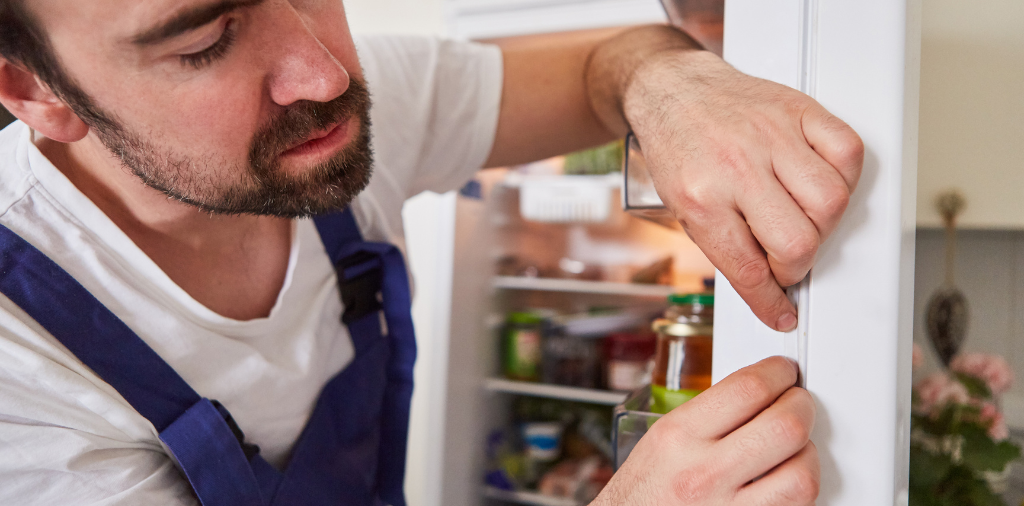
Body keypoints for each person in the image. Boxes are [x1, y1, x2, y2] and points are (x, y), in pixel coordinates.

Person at [0, 1, 862, 505]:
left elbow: (610, 58)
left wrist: (674, 85)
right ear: (36, 92)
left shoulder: (332, 106)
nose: (326, 74)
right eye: (204, 43)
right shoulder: (19, 354)